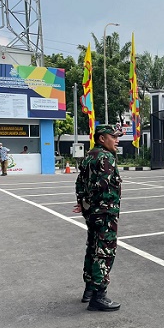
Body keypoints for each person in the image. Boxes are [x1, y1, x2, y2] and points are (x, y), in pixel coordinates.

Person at [73, 124, 123, 312]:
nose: (117, 140)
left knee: (93, 248)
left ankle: (88, 289)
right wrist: (96, 204)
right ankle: (99, 296)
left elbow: (80, 182)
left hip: (93, 213)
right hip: (105, 212)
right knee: (105, 252)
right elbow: (101, 186)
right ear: (102, 138)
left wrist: (83, 203)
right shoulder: (106, 157)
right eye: (113, 137)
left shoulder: (89, 156)